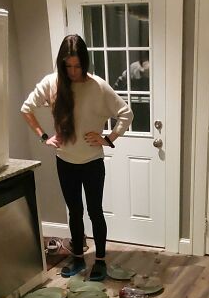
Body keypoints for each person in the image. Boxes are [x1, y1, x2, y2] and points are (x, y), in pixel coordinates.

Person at [21, 34, 132, 279]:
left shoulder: (98, 86)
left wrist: (108, 139)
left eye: (77, 66)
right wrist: (44, 137)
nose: (73, 71)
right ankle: (79, 258)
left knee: (95, 211)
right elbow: (26, 108)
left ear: (85, 63)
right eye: (68, 66)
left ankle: (100, 260)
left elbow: (126, 113)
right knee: (74, 211)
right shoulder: (52, 83)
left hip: (92, 162)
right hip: (65, 161)